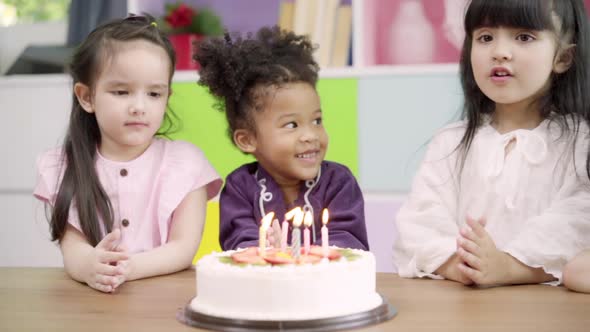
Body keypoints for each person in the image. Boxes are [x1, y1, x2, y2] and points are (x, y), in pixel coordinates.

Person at [393, 0, 590, 287]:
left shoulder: (579, 143)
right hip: (462, 309)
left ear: (563, 58)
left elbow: (576, 223)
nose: (499, 52)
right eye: (485, 38)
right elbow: (419, 219)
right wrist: (461, 265)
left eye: (524, 37)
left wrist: (507, 267)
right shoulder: (451, 143)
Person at [34, 15, 222, 293]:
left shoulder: (187, 164)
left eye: (154, 94)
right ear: (86, 97)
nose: (139, 106)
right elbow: (73, 248)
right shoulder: (63, 166)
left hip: (164, 303)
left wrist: (128, 268)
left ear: (167, 96)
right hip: (93, 308)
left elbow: (183, 248)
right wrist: (90, 265)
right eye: (122, 92)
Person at [195, 26, 369, 251]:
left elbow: (348, 240)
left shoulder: (339, 182)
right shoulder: (239, 187)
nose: (310, 135)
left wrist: (305, 256)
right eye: (292, 125)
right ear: (247, 140)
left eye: (316, 121)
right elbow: (240, 243)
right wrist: (265, 249)